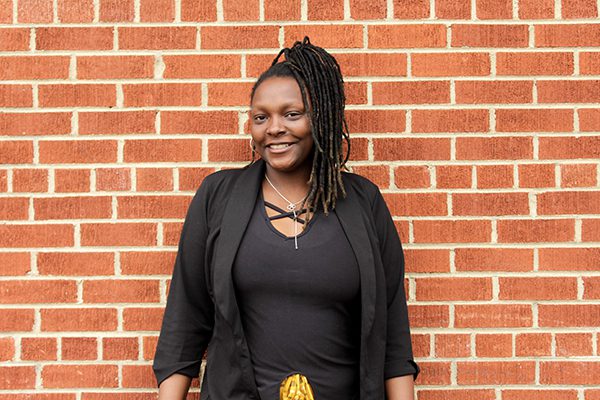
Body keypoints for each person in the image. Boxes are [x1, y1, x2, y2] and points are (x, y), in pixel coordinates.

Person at [153, 36, 419, 400]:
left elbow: (393, 336)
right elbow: (184, 322)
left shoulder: (363, 202)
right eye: (261, 117)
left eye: (292, 114)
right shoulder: (218, 197)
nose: (274, 128)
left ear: (320, 118)